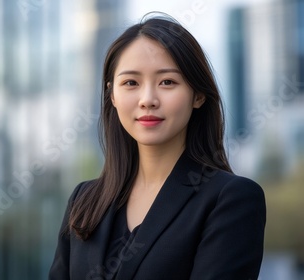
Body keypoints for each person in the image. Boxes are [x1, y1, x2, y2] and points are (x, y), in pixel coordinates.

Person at [49, 13, 266, 280]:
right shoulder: (84, 201)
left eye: (167, 82)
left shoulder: (230, 200)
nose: (148, 99)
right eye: (131, 83)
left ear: (198, 95)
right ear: (112, 95)